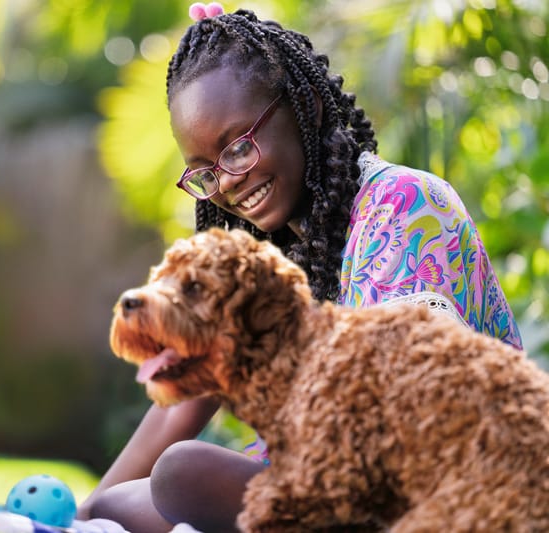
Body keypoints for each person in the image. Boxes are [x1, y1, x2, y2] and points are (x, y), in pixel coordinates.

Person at [78, 4, 523, 532]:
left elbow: (406, 403)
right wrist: (79, 515)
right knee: (121, 504)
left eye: (238, 148)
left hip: (446, 489)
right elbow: (186, 396)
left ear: (306, 106)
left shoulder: (403, 203)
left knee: (181, 477)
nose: (228, 182)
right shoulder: (283, 243)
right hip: (337, 483)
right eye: (203, 172)